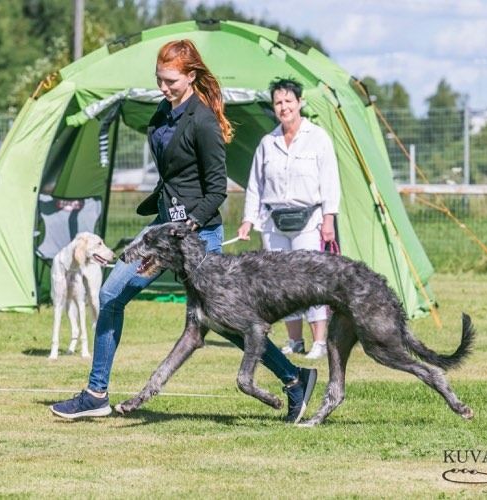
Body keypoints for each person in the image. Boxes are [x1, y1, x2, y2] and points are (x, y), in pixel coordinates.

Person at [51, 40, 317, 423]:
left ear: (191, 76)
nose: (163, 87)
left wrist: (189, 224)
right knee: (111, 294)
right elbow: (170, 172)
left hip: (197, 236)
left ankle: (294, 378)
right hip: (163, 232)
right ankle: (96, 393)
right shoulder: (162, 112)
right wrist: (164, 215)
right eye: (159, 79)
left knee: (226, 324)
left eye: (171, 80)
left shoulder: (204, 121)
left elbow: (217, 191)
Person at [237, 78, 340, 360]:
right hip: (274, 223)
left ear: (299, 103)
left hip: (309, 220)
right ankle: (294, 340)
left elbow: (330, 182)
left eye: (288, 101)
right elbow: (255, 186)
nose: (284, 107)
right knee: (282, 285)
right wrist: (248, 220)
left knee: (310, 281)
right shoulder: (267, 143)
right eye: (278, 103)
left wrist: (329, 219)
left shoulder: (318, 138)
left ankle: (319, 341)